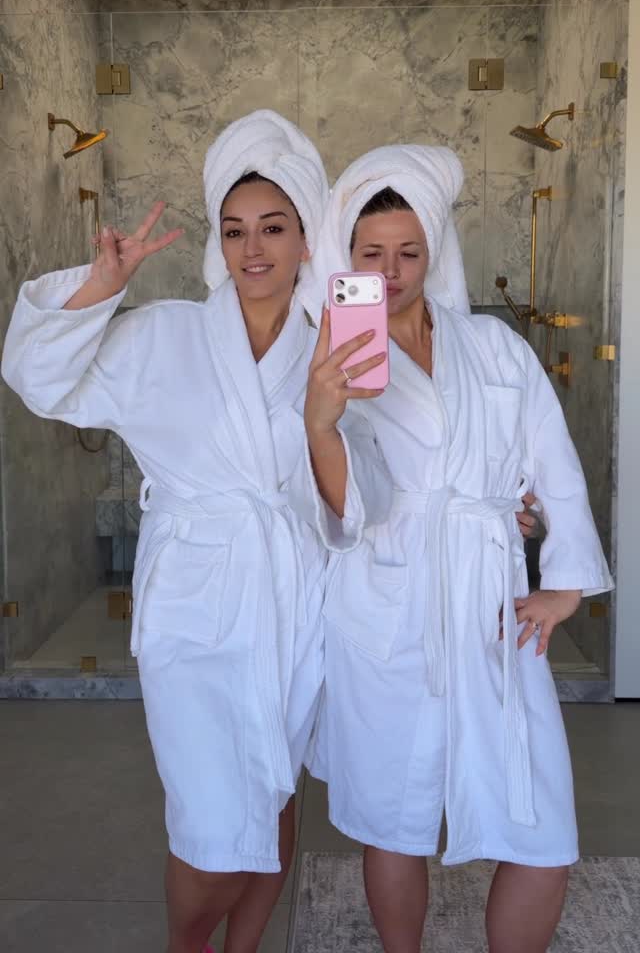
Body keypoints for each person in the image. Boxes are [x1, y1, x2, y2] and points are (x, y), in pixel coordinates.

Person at [1, 111, 390, 953]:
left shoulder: (335, 348)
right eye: (235, 229)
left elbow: (362, 493)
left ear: (305, 238)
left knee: (274, 791)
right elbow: (36, 379)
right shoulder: (164, 334)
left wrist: (328, 419)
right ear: (219, 241)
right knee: (210, 820)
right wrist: (100, 287)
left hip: (292, 597)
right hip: (193, 604)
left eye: (274, 228)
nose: (254, 249)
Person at [303, 143, 613, 953]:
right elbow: (350, 506)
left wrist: (566, 584)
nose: (390, 271)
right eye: (371, 253)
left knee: (540, 825)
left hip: (490, 604)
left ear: (434, 251)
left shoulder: (495, 348)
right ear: (347, 257)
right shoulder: (332, 358)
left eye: (408, 252)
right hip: (388, 604)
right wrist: (322, 420)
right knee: (393, 819)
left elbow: (554, 461)